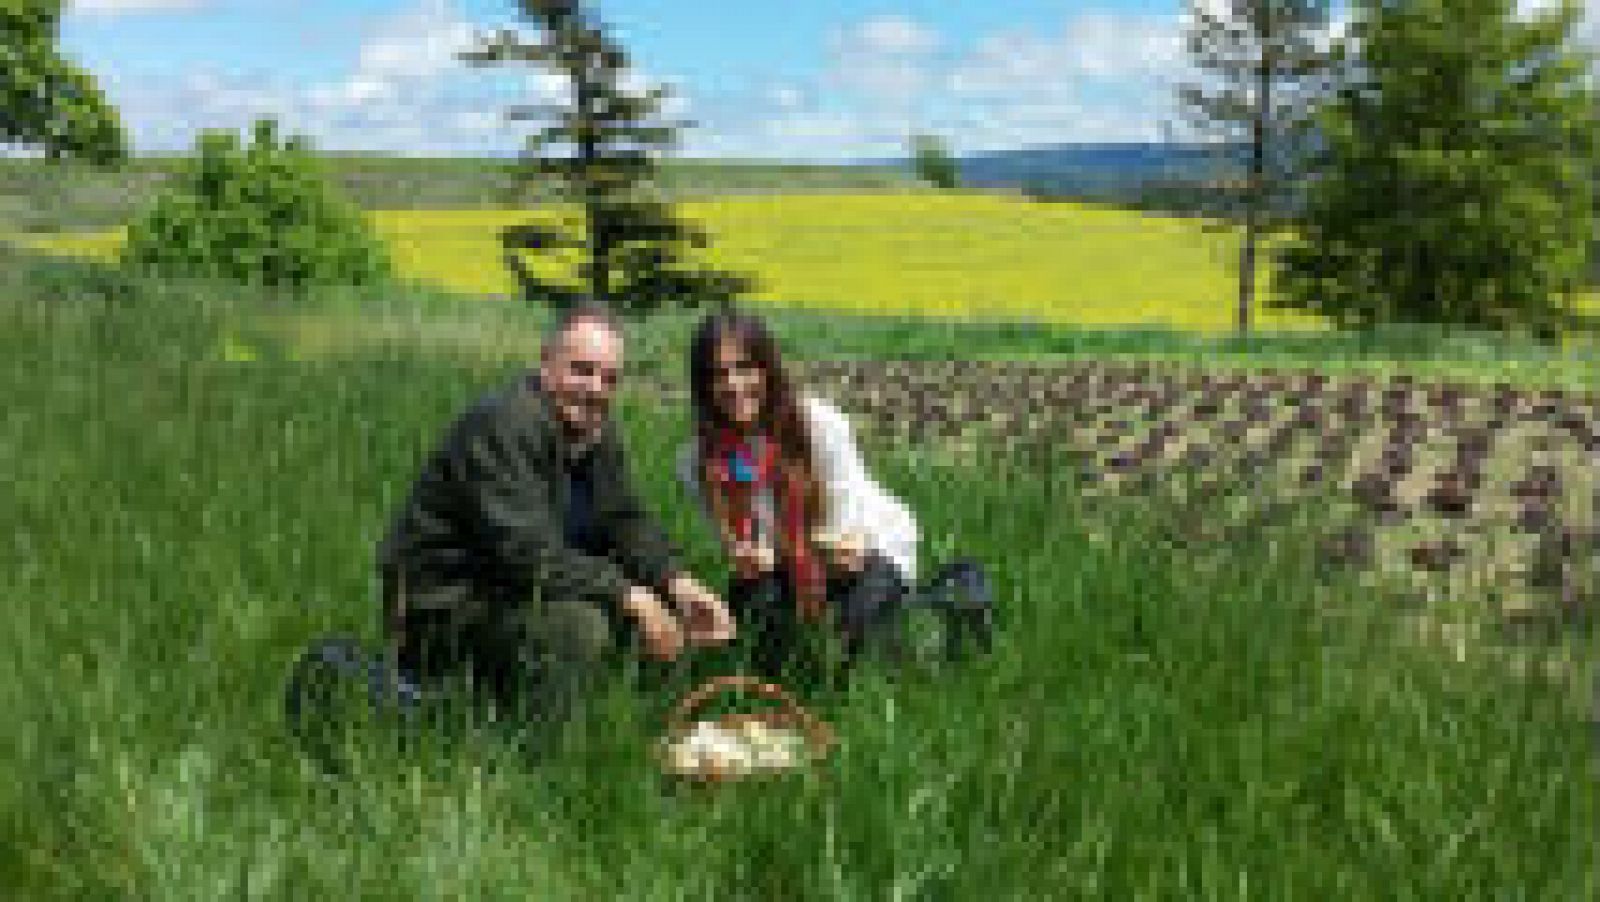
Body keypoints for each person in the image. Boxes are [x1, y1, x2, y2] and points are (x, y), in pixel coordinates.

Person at [375, 301, 736, 733]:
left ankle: (640, 725)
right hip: (441, 604)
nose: (595, 388)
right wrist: (629, 595)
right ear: (545, 364)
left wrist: (677, 582)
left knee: (665, 610)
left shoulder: (593, 427)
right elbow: (522, 553)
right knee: (581, 627)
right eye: (581, 370)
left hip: (508, 590)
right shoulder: (505, 423)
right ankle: (537, 748)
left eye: (609, 378)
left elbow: (624, 519)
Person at [675, 309, 921, 689]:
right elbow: (738, 544)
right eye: (717, 374)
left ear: (768, 369)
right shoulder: (696, 463)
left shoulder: (819, 426)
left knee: (847, 643)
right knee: (753, 618)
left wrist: (801, 565)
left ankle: (900, 637)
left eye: (745, 368)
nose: (734, 385)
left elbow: (842, 539)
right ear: (702, 385)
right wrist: (746, 558)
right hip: (785, 558)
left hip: (867, 546)